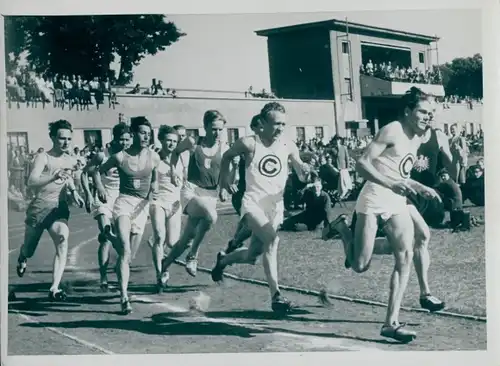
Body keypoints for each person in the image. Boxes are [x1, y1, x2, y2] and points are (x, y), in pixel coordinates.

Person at [323, 87, 442, 342]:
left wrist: (419, 186)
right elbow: (362, 164)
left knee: (406, 254)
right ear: (408, 111)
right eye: (422, 111)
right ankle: (343, 229)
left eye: (430, 112)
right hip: (374, 198)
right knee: (359, 265)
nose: (427, 116)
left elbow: (400, 171)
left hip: (396, 200)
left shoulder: (419, 136)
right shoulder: (392, 130)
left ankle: (391, 323)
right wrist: (391, 184)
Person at [211, 102, 311, 314]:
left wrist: (304, 171)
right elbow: (227, 156)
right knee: (272, 240)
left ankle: (224, 260)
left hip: (275, 207)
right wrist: (224, 182)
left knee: (253, 255)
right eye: (276, 124)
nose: (280, 128)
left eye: (283, 124)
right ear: (262, 123)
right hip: (253, 204)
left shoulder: (288, 145)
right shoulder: (249, 143)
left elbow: (300, 171)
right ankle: (276, 296)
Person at [93, 116, 160, 314]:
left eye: (148, 133)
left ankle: (112, 243)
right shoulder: (120, 157)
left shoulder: (154, 157)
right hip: (124, 204)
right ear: (133, 134)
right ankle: (124, 297)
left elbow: (155, 175)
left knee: (128, 256)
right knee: (125, 249)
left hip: (142, 207)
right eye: (142, 133)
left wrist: (154, 188)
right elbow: (97, 171)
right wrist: (99, 188)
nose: (146, 137)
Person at [16, 119, 84, 301]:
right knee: (29, 249)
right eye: (62, 138)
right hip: (39, 208)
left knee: (62, 237)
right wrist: (53, 176)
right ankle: (22, 257)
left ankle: (54, 287)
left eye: (69, 139)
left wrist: (74, 191)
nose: (66, 143)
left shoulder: (70, 159)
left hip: (58, 208)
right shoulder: (43, 157)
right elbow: (31, 182)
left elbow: (68, 178)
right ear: (52, 137)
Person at [160, 110, 232, 280]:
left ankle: (164, 265)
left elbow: (224, 169)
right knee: (211, 216)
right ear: (205, 127)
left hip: (210, 195)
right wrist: (173, 170)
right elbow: (176, 152)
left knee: (187, 238)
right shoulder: (193, 142)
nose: (217, 133)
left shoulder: (224, 147)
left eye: (220, 129)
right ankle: (192, 256)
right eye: (214, 129)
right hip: (191, 191)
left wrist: (223, 187)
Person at [81, 123, 133, 291]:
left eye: (127, 139)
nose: (125, 143)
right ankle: (104, 278)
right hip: (103, 199)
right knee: (107, 233)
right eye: (121, 139)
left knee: (110, 241)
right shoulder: (102, 155)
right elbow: (85, 172)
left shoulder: (131, 155)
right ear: (114, 138)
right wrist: (90, 193)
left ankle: (120, 265)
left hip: (122, 200)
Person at [147, 125, 183, 293]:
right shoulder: (154, 158)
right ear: (161, 140)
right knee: (160, 236)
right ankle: (160, 274)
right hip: (158, 202)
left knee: (173, 243)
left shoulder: (182, 158)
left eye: (175, 141)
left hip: (175, 204)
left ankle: (164, 263)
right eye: (168, 140)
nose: (171, 144)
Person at [224, 115, 262, 255]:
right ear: (253, 128)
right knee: (251, 225)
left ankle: (232, 245)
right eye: (260, 127)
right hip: (243, 193)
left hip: (259, 194)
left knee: (245, 224)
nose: (263, 130)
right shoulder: (246, 146)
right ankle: (234, 244)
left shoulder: (268, 147)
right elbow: (228, 161)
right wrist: (227, 182)